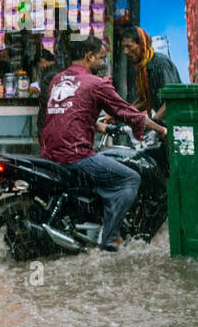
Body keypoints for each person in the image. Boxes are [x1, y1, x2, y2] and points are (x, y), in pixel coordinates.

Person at [40, 37, 166, 251]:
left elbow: (70, 113)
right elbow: (128, 113)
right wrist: (161, 129)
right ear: (89, 56)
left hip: (49, 152)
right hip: (74, 155)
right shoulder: (95, 83)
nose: (102, 63)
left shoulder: (57, 80)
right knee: (129, 178)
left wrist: (99, 126)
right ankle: (110, 238)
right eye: (100, 58)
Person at [121, 24, 181, 121]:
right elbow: (146, 101)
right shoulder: (143, 68)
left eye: (129, 46)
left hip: (177, 123)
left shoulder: (160, 65)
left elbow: (172, 101)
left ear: (141, 45)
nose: (125, 52)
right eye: (124, 47)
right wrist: (123, 114)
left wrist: (153, 124)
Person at [34, 47, 60, 134]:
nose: (40, 67)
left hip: (48, 116)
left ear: (42, 60)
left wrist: (38, 93)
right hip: (59, 117)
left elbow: (46, 99)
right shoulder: (60, 69)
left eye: (39, 64)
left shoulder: (49, 75)